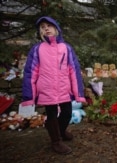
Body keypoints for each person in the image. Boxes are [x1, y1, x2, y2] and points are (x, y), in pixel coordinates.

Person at [22, 16, 86, 155]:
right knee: (51, 114)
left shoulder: (66, 48)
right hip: (46, 89)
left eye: (49, 26)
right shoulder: (37, 49)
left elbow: (74, 71)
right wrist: (29, 95)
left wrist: (78, 92)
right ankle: (56, 141)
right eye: (43, 27)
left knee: (67, 113)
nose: (46, 28)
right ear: (41, 32)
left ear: (56, 29)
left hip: (64, 88)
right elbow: (31, 72)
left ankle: (60, 131)